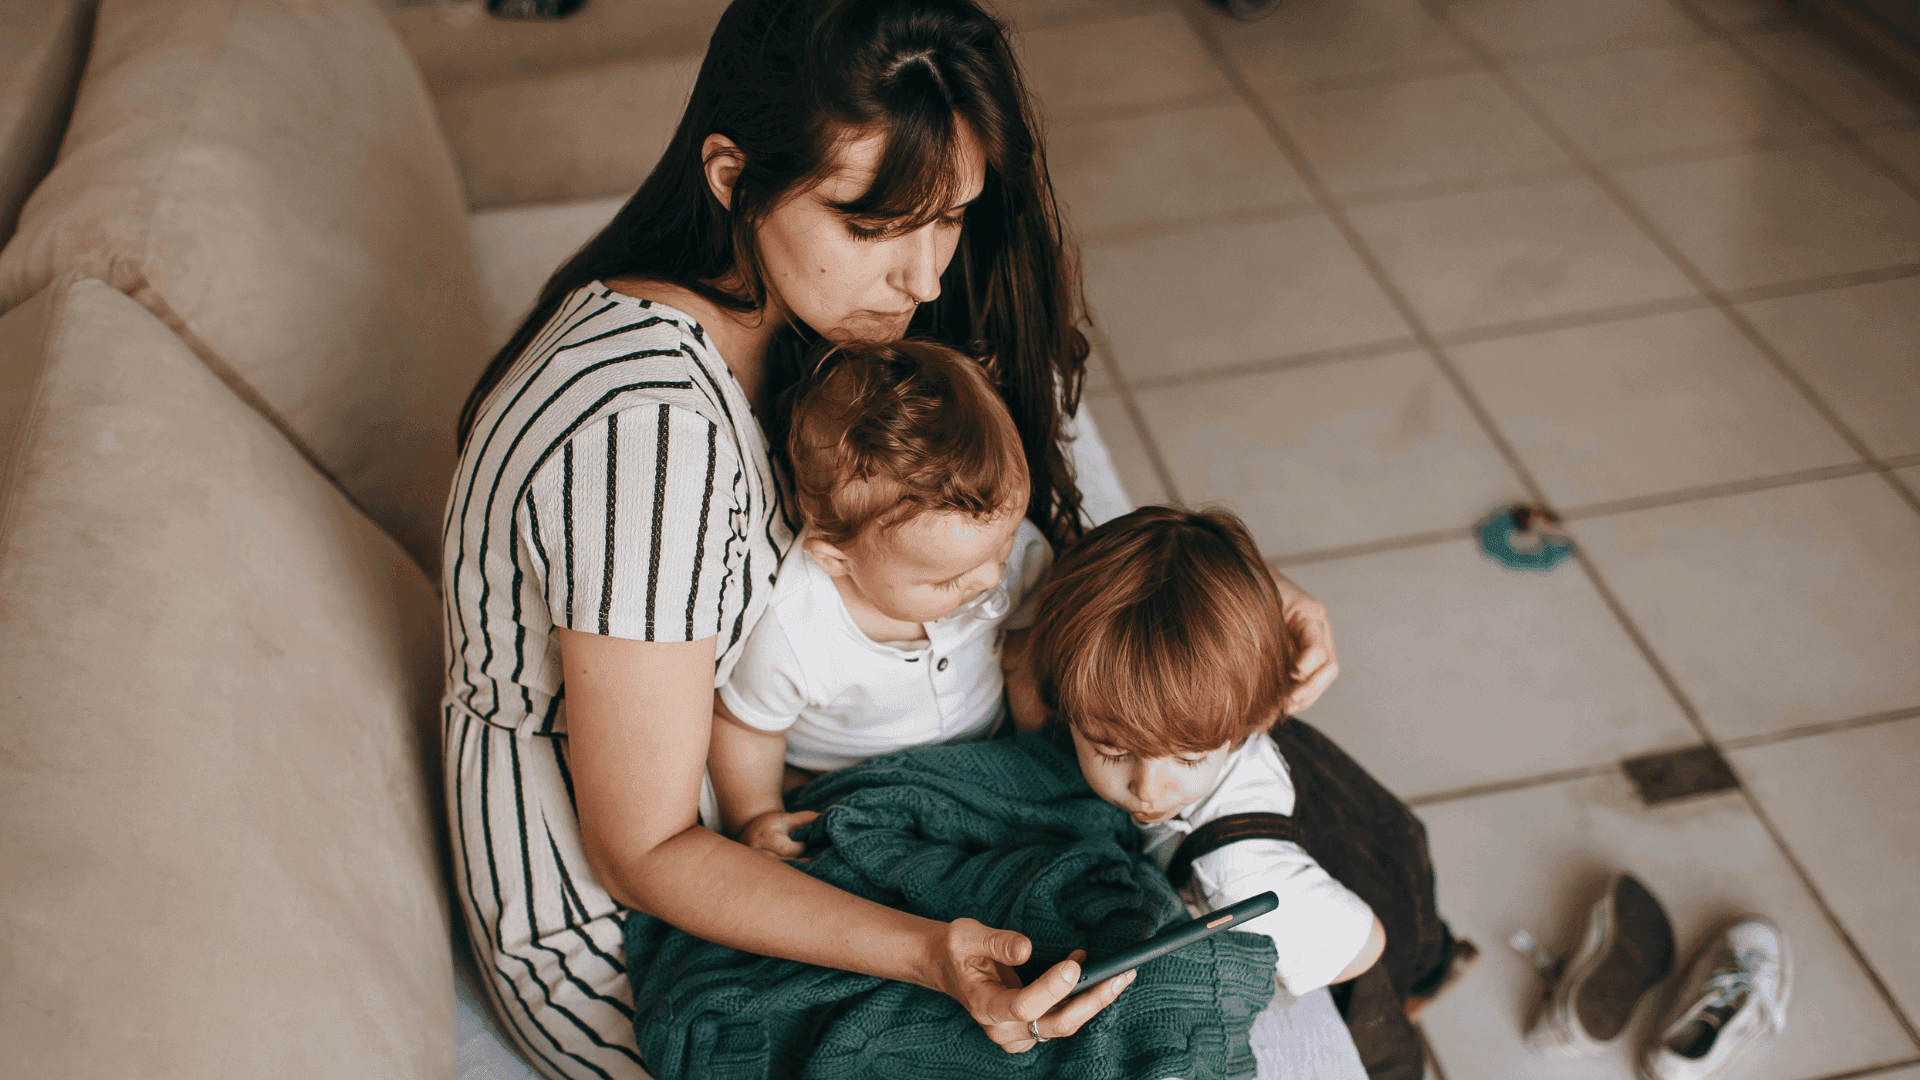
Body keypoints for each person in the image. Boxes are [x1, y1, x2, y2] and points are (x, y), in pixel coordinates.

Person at [440, 0, 1342, 1076]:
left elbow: (984, 536)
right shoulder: (646, 436)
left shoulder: (809, 335)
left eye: (950, 217)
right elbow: (643, 851)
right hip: (633, 934)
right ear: (732, 175)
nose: (921, 278)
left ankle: (1398, 972)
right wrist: (931, 955)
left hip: (827, 820)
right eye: (871, 227)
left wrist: (1234, 592)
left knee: (1224, 738)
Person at [1028, 506, 1469, 1080]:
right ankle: (1440, 964)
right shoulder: (1220, 695)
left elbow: (1364, 946)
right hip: (1383, 835)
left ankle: (1427, 981)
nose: (1147, 786)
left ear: (1249, 717)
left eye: (1187, 758)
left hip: (1370, 926)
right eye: (1111, 751)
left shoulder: (1237, 874)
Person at [709, 338, 1053, 854]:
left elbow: (1024, 656)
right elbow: (746, 731)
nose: (987, 579)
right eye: (945, 581)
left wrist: (1038, 747)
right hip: (852, 781)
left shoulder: (1010, 554)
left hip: (986, 752)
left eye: (1002, 544)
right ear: (837, 559)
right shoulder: (795, 627)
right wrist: (756, 817)